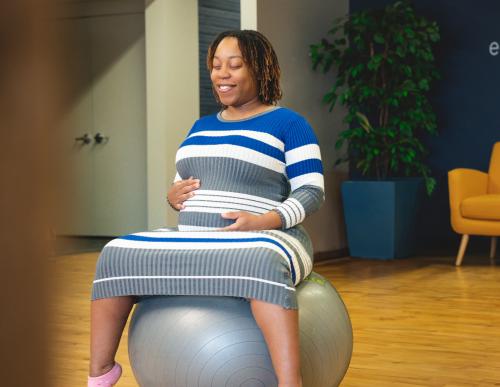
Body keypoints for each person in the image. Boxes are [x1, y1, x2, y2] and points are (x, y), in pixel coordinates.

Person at [88, 29, 324, 387]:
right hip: (197, 238)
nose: (221, 74)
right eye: (216, 66)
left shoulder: (290, 124)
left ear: (260, 70)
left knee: (259, 261)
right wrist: (173, 195)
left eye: (234, 65)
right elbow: (181, 180)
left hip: (268, 236)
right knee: (116, 253)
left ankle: (290, 383)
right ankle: (101, 373)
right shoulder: (200, 126)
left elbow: (312, 190)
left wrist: (263, 221)